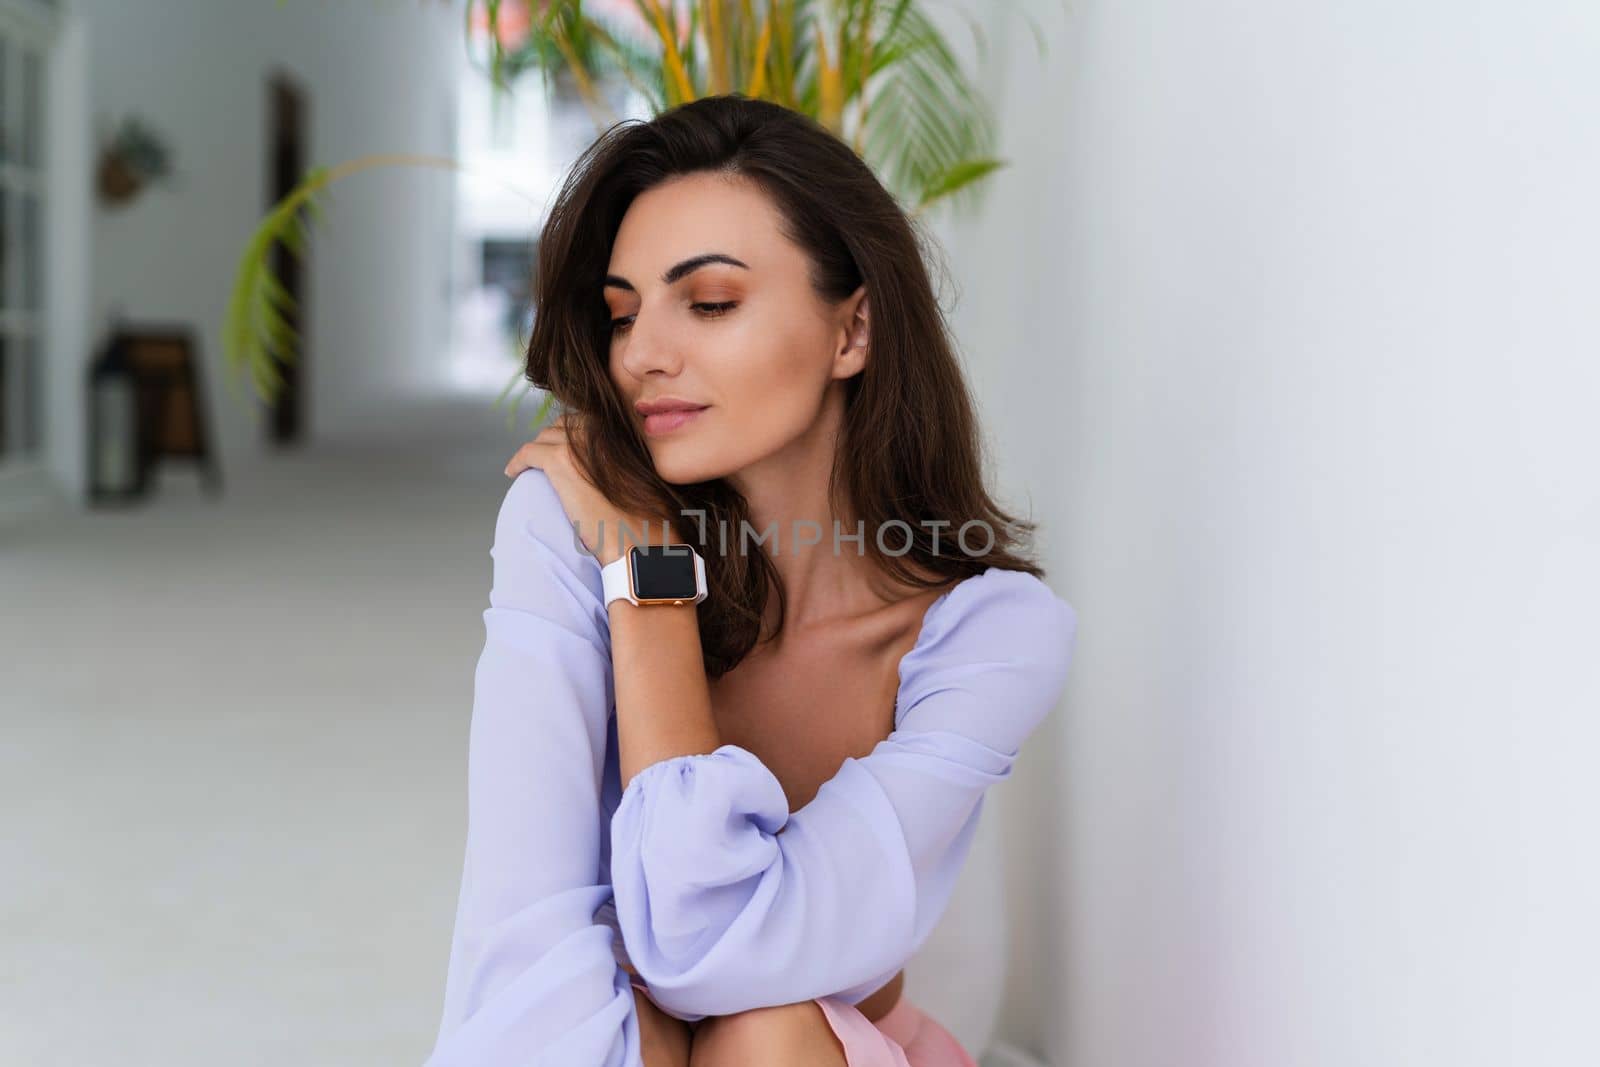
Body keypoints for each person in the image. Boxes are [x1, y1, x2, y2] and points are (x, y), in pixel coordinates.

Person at [425, 94, 1078, 1067]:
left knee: (764, 1031)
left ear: (851, 331)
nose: (642, 353)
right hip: (586, 1040)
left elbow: (700, 949)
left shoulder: (990, 635)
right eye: (621, 314)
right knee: (625, 1021)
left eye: (712, 301)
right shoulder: (564, 518)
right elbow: (520, 932)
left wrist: (647, 581)